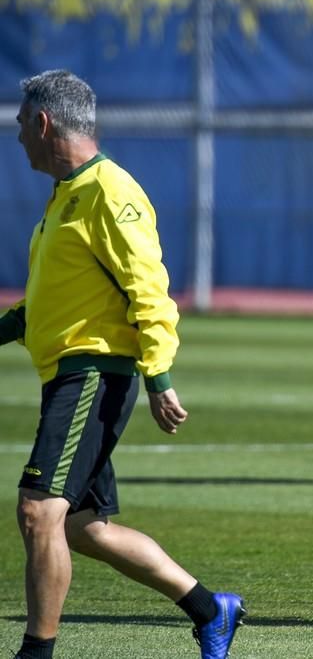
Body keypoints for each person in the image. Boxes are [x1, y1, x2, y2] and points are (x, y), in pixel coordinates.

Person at [2, 70, 243, 659]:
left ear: (42, 122)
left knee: (38, 513)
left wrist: (158, 376)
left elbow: (150, 290)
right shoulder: (69, 195)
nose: (16, 137)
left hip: (94, 373)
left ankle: (36, 653)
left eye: (19, 125)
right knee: (84, 528)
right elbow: (52, 301)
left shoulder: (111, 192)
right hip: (69, 372)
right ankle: (213, 610)